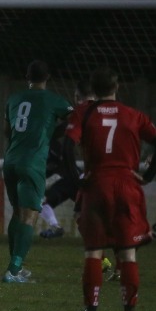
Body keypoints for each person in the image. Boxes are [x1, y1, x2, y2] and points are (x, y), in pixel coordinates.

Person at [63, 67, 156, 311]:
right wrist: (149, 175)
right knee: (128, 253)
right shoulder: (133, 115)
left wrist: (77, 180)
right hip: (126, 185)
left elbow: (66, 147)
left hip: (97, 184)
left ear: (93, 90)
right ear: (117, 87)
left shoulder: (83, 113)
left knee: (93, 253)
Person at [2, 60, 73, 283]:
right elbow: (75, 121)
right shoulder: (54, 100)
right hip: (32, 162)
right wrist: (52, 131)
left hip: (11, 159)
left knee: (16, 213)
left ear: (26, 77)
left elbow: (7, 131)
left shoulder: (13, 99)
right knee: (29, 216)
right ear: (48, 77)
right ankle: (13, 271)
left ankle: (16, 266)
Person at [39, 80, 97, 239]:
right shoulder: (104, 112)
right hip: (79, 177)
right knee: (85, 216)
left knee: (87, 216)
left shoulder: (78, 115)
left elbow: (66, 151)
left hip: (74, 178)